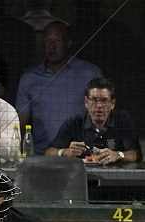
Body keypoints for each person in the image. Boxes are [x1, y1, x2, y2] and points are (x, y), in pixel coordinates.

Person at [15, 21, 102, 155]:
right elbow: (20, 124)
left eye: (57, 41)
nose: (52, 46)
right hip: (41, 158)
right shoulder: (29, 78)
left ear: (68, 43)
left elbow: (104, 117)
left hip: (81, 158)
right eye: (48, 41)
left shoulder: (90, 73)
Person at [45, 77, 139, 165]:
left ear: (112, 104)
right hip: (81, 178)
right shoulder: (74, 122)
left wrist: (118, 155)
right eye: (94, 100)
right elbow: (49, 152)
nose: (99, 106)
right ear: (86, 102)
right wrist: (64, 152)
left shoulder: (122, 121)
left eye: (104, 100)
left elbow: (135, 155)